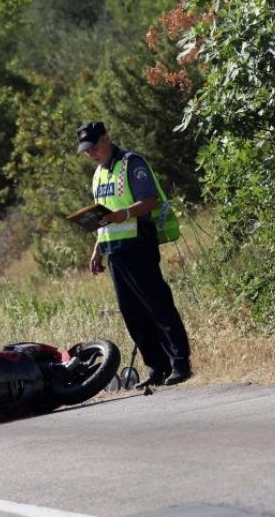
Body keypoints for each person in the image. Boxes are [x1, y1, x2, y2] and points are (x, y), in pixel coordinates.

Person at [77, 121, 191, 387]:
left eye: (94, 147)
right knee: (133, 313)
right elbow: (103, 216)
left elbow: (149, 199)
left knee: (157, 305)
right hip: (114, 250)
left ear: (107, 138)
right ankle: (157, 367)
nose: (91, 154)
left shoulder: (131, 162)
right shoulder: (98, 174)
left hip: (138, 244)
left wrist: (125, 214)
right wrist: (97, 249)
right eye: (86, 151)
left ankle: (180, 363)